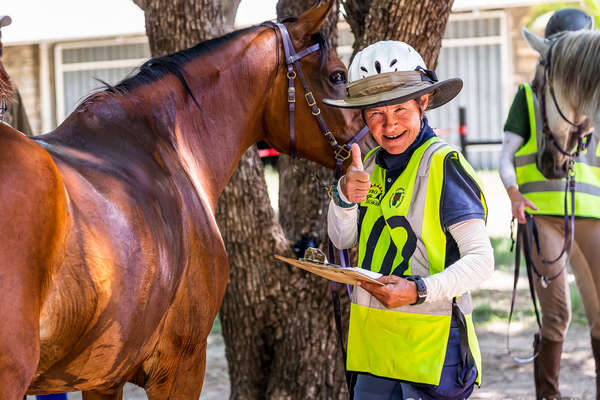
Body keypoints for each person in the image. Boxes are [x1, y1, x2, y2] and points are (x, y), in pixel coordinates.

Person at [323, 41, 494, 399]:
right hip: (375, 350)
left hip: (431, 354)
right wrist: (344, 196)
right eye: (376, 114)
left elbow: (482, 262)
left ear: (424, 103)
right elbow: (342, 240)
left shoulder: (443, 165)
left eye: (400, 109)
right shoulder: (366, 168)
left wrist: (418, 290)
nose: (389, 124)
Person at [499, 8, 600, 399]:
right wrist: (512, 193)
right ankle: (549, 395)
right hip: (542, 217)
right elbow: (505, 156)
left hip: (592, 216)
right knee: (557, 315)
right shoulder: (528, 97)